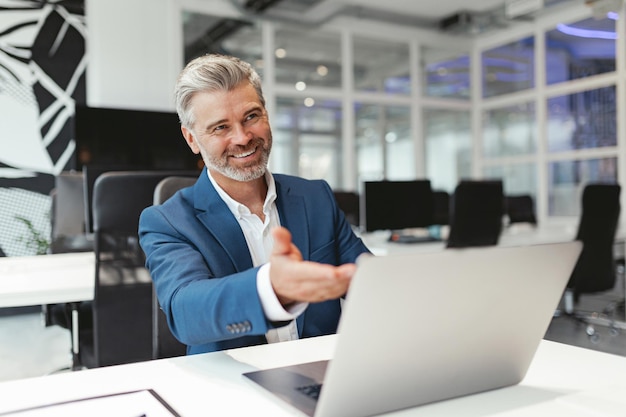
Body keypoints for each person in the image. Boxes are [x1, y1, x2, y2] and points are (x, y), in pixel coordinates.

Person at [139, 54, 370, 354]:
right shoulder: (166, 221)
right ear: (192, 139)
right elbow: (186, 311)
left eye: (251, 116)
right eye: (220, 127)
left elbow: (370, 282)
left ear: (266, 114)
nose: (243, 137)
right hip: (234, 387)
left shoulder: (316, 197)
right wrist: (271, 289)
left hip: (324, 376)